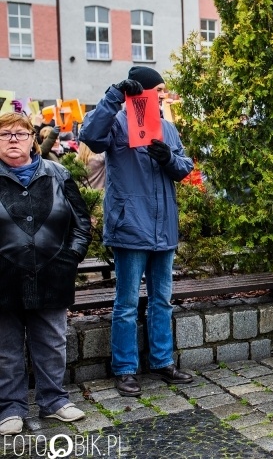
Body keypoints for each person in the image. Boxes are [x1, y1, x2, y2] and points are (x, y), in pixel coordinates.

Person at [80, 66, 194, 397]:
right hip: (131, 227)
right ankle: (125, 369)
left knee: (162, 300)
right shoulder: (117, 124)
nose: (162, 95)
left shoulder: (168, 128)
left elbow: (184, 168)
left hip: (164, 229)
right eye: (157, 89)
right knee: (127, 303)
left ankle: (162, 361)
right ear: (140, 91)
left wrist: (168, 158)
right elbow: (89, 136)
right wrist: (114, 94)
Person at [0, 113, 92, 435]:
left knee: (52, 342)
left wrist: (69, 258)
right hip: (3, 279)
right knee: (5, 346)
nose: (13, 139)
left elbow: (81, 224)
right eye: (5, 134)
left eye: (20, 133)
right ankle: (10, 407)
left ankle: (54, 401)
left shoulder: (58, 172)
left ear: (32, 140)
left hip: (53, 275)